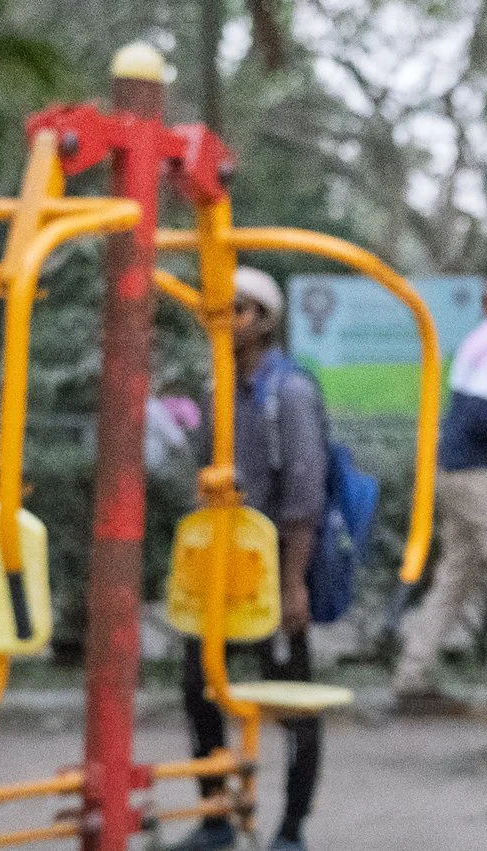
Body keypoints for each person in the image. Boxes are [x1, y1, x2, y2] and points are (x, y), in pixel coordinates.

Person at [176, 267, 327, 851]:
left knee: (290, 697)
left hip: (274, 572)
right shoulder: (216, 388)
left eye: (238, 310)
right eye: (219, 309)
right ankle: (217, 816)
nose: (226, 321)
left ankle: (290, 828)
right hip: (219, 572)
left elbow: (303, 496)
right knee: (199, 689)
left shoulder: (288, 392)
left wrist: (293, 584)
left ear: (265, 321)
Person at [391, 281, 487, 722]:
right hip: (477, 472)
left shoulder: (486, 336)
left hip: (456, 467)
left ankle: (413, 673)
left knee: (457, 574)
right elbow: (480, 412)